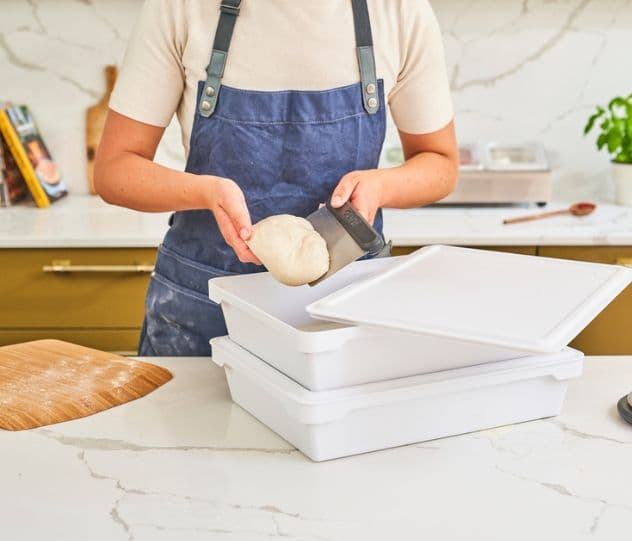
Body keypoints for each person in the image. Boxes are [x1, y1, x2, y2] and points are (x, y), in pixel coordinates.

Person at [95, 0, 458, 356]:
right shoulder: (180, 8)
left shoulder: (398, 11)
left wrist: (381, 187)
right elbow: (115, 170)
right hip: (203, 308)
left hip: (341, 309)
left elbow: (440, 163)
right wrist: (206, 191)